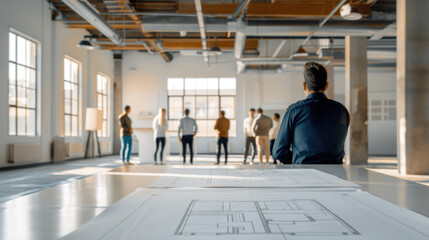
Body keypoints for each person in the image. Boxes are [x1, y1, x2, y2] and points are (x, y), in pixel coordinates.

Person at [273, 62, 350, 164]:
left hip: (304, 175)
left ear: (304, 85)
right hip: (336, 175)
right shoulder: (342, 111)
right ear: (326, 85)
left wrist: (298, 161)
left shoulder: (294, 111)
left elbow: (278, 152)